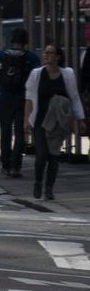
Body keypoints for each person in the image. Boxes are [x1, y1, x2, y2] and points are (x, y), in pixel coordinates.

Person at [24, 43, 85, 200]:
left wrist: (80, 119)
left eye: (50, 53)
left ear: (58, 56)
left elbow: (74, 97)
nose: (46, 55)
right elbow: (29, 99)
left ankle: (49, 188)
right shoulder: (36, 74)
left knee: (53, 155)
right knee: (41, 154)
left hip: (58, 122)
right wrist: (26, 120)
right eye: (45, 52)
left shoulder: (67, 74)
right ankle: (38, 182)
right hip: (40, 120)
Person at [0, 26, 35, 178]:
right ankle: (16, 166)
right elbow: (37, 76)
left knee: (6, 131)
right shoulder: (31, 57)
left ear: (12, 39)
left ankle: (5, 164)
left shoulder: (1, 54)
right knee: (20, 133)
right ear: (26, 41)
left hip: (5, 97)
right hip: (23, 98)